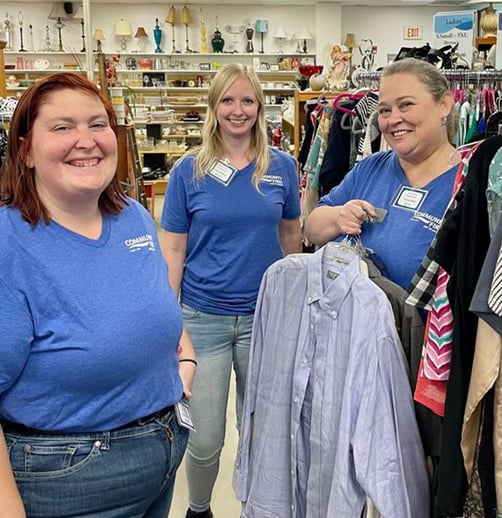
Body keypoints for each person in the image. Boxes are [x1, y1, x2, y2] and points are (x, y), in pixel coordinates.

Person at [0, 72, 196, 518]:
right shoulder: (0, 246)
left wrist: (184, 362)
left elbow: (154, 306)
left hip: (161, 457)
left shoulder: (133, 217)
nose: (87, 140)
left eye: (98, 124)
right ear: (25, 151)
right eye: (62, 127)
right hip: (70, 481)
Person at [161, 63, 302, 518]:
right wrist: (171, 323)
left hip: (265, 318)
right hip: (203, 319)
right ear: (213, 107)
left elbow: (290, 239)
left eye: (246, 100)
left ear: (260, 106)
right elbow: (174, 250)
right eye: (227, 100)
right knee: (204, 437)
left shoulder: (281, 167)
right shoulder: (188, 171)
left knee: (259, 429)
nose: (237, 110)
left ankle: (257, 507)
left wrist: (296, 305)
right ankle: (198, 509)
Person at [305, 57, 460, 291]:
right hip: (351, 325)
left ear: (444, 105)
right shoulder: (371, 168)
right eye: (385, 110)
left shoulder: (467, 183)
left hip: (423, 328)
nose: (393, 119)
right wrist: (339, 217)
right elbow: (312, 228)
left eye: (406, 104)